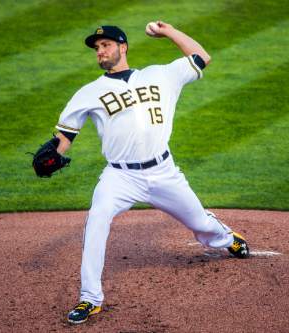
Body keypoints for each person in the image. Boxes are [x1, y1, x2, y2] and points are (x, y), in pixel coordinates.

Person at [49, 22, 250, 325]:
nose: (100, 52)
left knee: (199, 222)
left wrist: (168, 31)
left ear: (122, 46)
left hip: (163, 172)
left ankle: (226, 238)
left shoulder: (160, 75)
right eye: (96, 48)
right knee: (96, 221)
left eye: (105, 45)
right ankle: (90, 298)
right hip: (120, 178)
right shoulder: (89, 92)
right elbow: (65, 136)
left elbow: (202, 57)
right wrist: (53, 155)